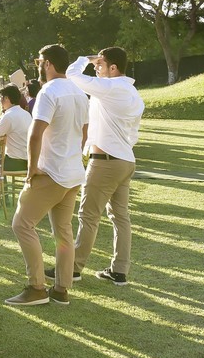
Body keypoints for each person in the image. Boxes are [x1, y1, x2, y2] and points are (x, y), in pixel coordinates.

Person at [53, 46, 144, 288]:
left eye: (101, 64)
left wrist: (85, 58)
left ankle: (73, 268)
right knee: (120, 217)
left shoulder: (112, 87)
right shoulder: (133, 93)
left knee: (88, 215)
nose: (96, 67)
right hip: (125, 160)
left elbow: (72, 74)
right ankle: (119, 271)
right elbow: (133, 133)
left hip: (106, 162)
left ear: (113, 67)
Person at [5, 44, 88, 307]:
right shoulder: (79, 92)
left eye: (39, 61)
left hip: (52, 172)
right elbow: (84, 133)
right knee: (63, 231)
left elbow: (36, 132)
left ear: (49, 64)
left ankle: (36, 287)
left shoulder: (49, 92)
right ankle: (62, 289)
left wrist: (31, 169)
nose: (37, 65)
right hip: (73, 172)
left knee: (22, 224)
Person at [0, 85, 33, 172]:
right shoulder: (26, 114)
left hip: (14, 162)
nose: (0, 102)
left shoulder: (9, 116)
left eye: (1, 98)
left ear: (6, 98)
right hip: (28, 161)